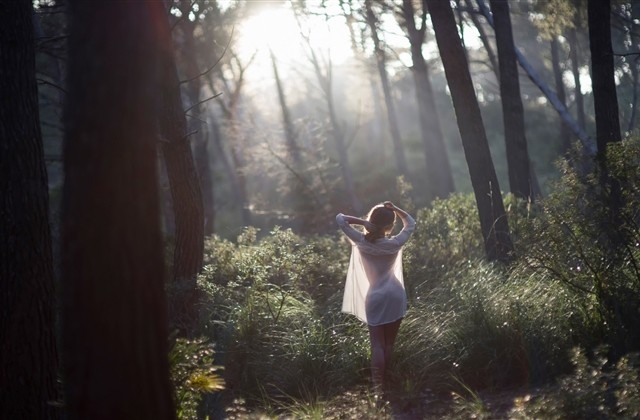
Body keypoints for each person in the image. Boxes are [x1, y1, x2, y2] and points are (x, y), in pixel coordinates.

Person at [335, 201, 416, 390]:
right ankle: (390, 383)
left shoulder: (361, 241)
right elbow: (410, 223)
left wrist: (364, 224)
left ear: (372, 221)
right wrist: (395, 208)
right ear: (390, 226)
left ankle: (379, 388)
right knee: (389, 345)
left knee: (377, 345)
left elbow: (340, 219)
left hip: (376, 297)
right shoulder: (395, 242)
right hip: (396, 294)